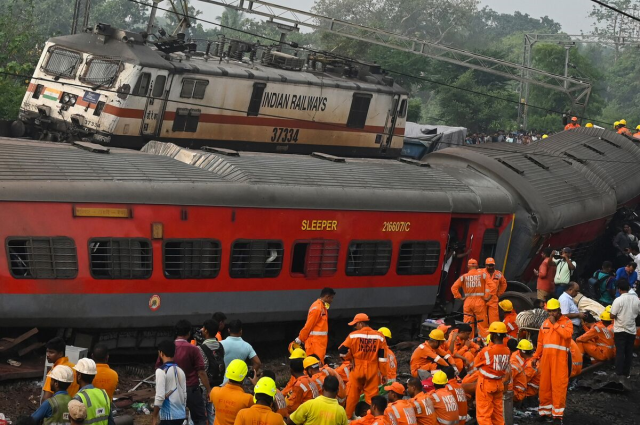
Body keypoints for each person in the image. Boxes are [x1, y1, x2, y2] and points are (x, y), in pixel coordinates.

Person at [155, 320, 209, 425]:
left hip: (172, 391)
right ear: (189, 333)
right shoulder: (193, 349)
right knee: (200, 418)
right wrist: (208, 389)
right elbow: (201, 371)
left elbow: (158, 367)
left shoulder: (167, 348)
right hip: (191, 388)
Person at [338, 313, 389, 418]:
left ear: (360, 323)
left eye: (355, 324)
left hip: (357, 369)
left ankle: (346, 419)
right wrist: (384, 374)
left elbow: (342, 351)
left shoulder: (353, 336)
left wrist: (349, 358)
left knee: (352, 397)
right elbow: (383, 358)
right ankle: (372, 420)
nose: (354, 327)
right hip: (372, 371)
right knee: (372, 400)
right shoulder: (379, 336)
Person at [532, 298, 573, 423]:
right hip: (545, 360)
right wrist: (535, 357)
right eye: (549, 311)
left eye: (554, 311)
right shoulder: (545, 323)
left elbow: (567, 335)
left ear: (559, 310)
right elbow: (540, 343)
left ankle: (557, 416)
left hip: (559, 360)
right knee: (544, 386)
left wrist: (555, 324)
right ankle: (544, 412)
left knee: (558, 387)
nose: (551, 314)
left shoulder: (567, 322)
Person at [473, 322, 510, 425]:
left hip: (486, 385)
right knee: (497, 414)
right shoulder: (507, 351)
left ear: (493, 335)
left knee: (484, 415)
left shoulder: (486, 351)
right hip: (499, 384)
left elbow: (476, 364)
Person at [451, 259, 491, 337]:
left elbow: (453, 288)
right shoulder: (483, 275)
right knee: (482, 325)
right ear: (477, 266)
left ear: (468, 266)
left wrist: (459, 297)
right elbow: (492, 286)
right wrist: (488, 297)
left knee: (467, 325)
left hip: (468, 302)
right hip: (479, 301)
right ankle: (484, 342)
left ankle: (468, 342)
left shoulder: (463, 277)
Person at [295, 288, 335, 363]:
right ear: (327, 297)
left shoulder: (322, 308)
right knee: (314, 365)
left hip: (318, 343)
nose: (332, 301)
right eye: (331, 298)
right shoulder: (317, 308)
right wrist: (300, 338)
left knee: (317, 365)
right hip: (314, 344)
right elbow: (308, 326)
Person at [610, 279, 640, 379]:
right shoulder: (636, 299)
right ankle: (626, 373)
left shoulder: (618, 300)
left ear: (619, 289)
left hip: (620, 329)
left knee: (620, 351)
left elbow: (612, 315)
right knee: (628, 351)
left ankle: (618, 373)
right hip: (631, 329)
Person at [153, 340, 187, 425]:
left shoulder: (161, 371)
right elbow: (184, 395)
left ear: (161, 353)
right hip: (181, 415)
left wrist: (154, 416)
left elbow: (160, 397)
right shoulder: (180, 370)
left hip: (169, 416)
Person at [199, 319, 226, 425]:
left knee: (199, 415)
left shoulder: (201, 348)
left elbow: (202, 371)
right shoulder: (220, 346)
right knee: (212, 414)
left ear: (205, 330)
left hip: (204, 386)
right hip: (217, 383)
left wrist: (208, 389)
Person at [210, 360, 253, 425]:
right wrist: (257, 385)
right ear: (243, 377)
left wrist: (232, 376)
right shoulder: (248, 399)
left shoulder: (215, 391)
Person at [72, 359, 114, 425]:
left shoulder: (79, 398)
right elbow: (111, 422)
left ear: (79, 375)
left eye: (76, 373)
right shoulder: (104, 394)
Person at [483, 258, 507, 324]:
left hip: (493, 299)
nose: (490, 267)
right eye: (489, 265)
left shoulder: (498, 274)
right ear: (485, 265)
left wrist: (499, 293)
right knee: (482, 319)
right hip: (482, 299)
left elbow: (504, 284)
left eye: (492, 265)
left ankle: (494, 332)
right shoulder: (481, 273)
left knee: (494, 320)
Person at [511, 340, 533, 405]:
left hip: (526, 394)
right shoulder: (530, 361)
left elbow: (526, 379)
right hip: (523, 392)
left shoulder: (531, 364)